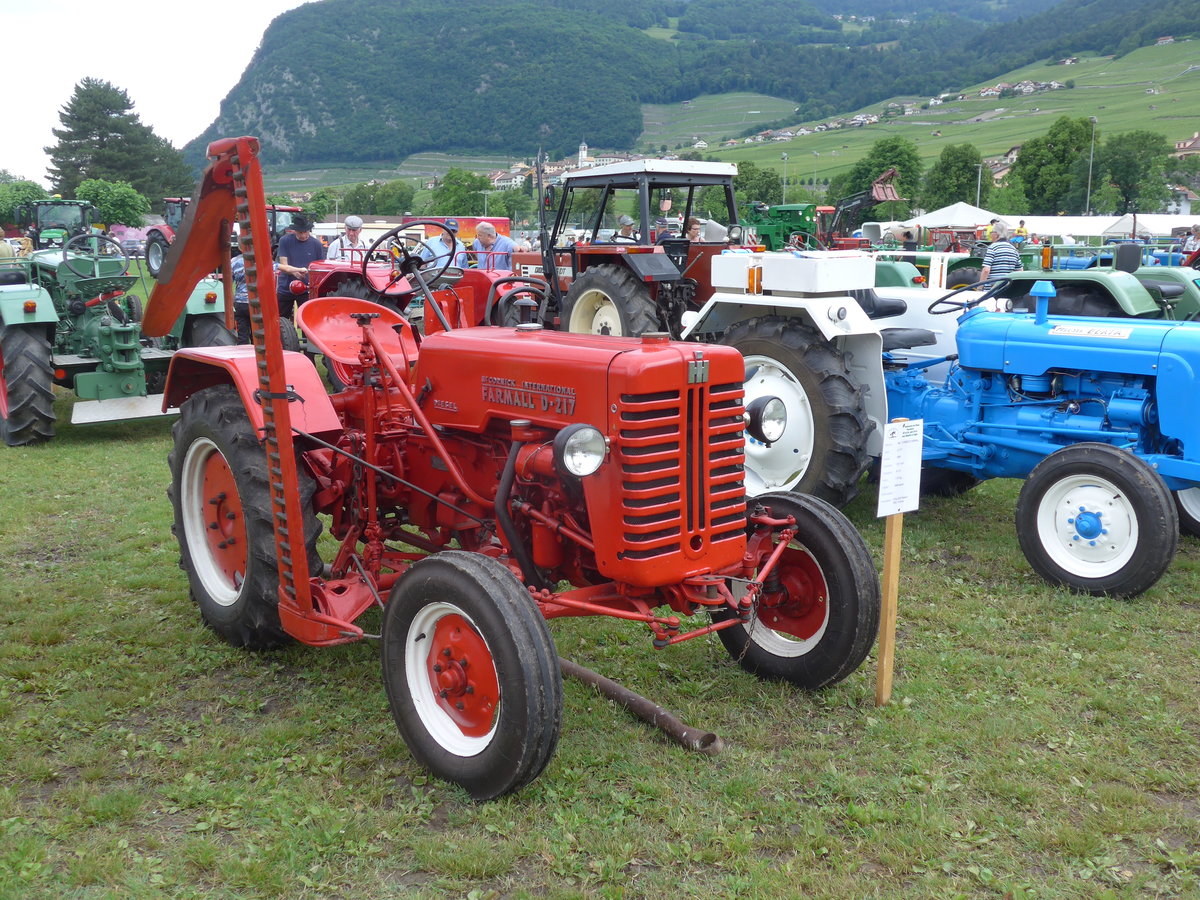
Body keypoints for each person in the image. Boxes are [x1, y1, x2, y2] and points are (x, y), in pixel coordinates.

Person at [275, 214, 325, 319]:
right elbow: (283, 263)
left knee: (307, 319)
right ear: (295, 231)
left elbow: (320, 267)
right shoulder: (285, 241)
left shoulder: (317, 245)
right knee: (281, 319)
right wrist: (294, 272)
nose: (303, 235)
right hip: (286, 287)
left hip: (307, 288)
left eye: (305, 232)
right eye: (300, 232)